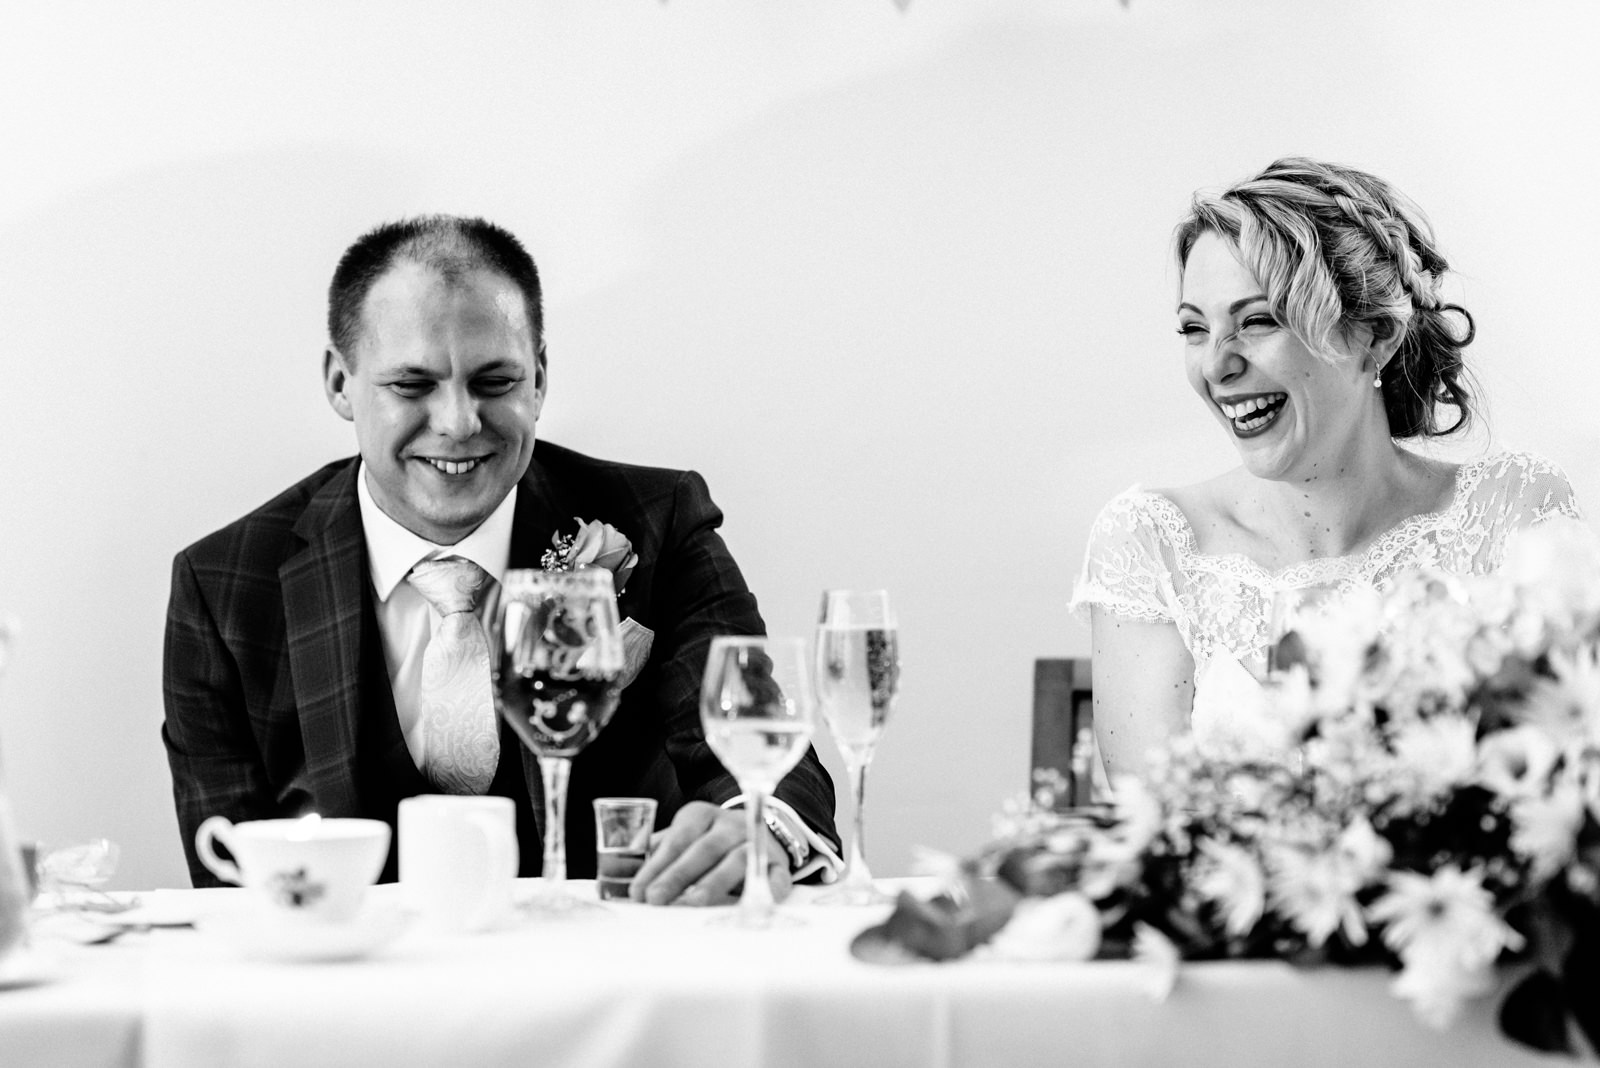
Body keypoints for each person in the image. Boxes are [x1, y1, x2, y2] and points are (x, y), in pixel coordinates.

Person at [162, 215, 840, 903]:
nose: (458, 422)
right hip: (351, 995)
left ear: (539, 379)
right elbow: (229, 889)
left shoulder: (660, 520)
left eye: (495, 381)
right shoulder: (221, 588)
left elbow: (761, 750)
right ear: (341, 382)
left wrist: (761, 831)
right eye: (411, 385)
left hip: (617, 980)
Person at [1072, 157, 1585, 779]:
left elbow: (1572, 783)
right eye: (1193, 329)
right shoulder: (1152, 543)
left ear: (1376, 335)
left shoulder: (1514, 517)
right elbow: (1154, 837)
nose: (1216, 366)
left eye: (1257, 321)